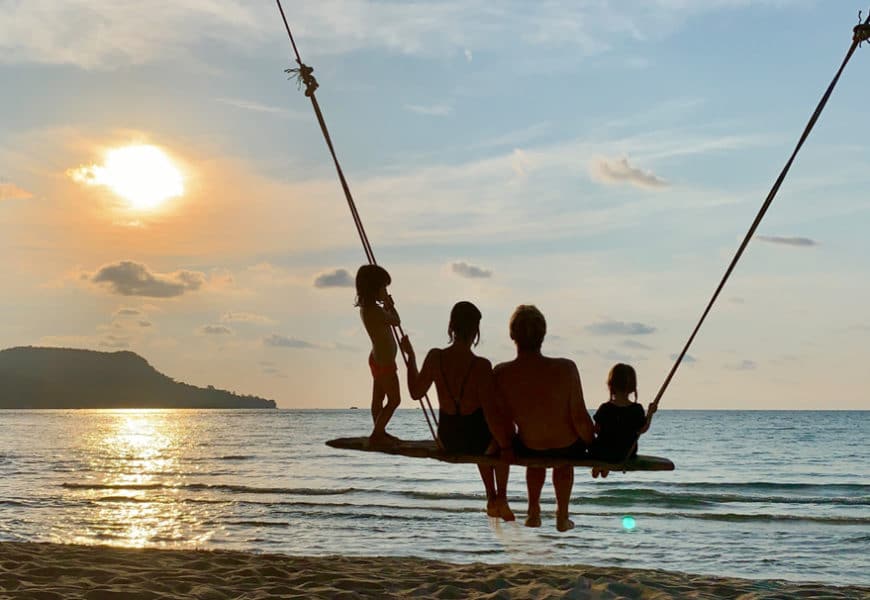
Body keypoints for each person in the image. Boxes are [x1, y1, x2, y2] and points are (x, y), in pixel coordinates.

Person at [400, 301, 515, 521]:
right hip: (477, 441)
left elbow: (416, 392)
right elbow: (491, 414)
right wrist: (507, 445)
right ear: (476, 331)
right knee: (499, 436)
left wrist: (411, 358)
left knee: (484, 439)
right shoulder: (481, 366)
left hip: (448, 439)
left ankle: (491, 497)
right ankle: (500, 496)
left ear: (451, 326)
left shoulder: (435, 357)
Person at [493, 304, 594, 532]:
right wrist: (593, 445)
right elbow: (578, 417)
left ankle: (533, 511)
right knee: (564, 465)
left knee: (535, 459)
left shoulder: (502, 373)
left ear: (512, 335)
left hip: (530, 445)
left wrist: (507, 445)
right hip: (566, 446)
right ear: (543, 335)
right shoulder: (566, 368)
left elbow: (502, 421)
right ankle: (562, 514)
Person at [356, 264, 401, 443]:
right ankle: (377, 433)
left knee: (378, 399)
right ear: (375, 288)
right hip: (384, 361)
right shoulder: (375, 310)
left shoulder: (368, 308)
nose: (385, 291)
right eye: (383, 287)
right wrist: (390, 306)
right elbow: (396, 321)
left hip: (377, 358)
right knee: (394, 400)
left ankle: (378, 430)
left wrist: (385, 305)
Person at [589, 363, 655, 478]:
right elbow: (642, 429)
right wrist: (650, 414)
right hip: (626, 453)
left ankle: (601, 465)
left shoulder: (605, 408)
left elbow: (597, 429)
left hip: (603, 452)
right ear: (632, 387)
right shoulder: (636, 409)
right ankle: (605, 466)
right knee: (613, 450)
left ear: (610, 385)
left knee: (597, 445)